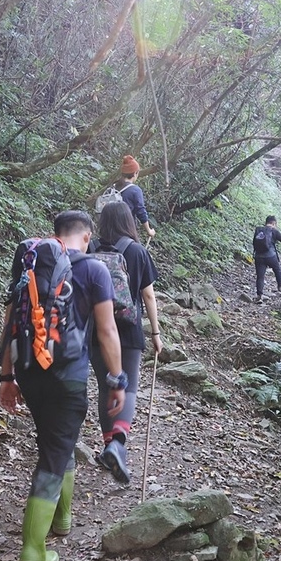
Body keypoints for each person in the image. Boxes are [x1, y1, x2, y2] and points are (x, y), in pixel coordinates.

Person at [0, 210, 128, 561]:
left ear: (57, 235)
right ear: (87, 237)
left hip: (28, 372)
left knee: (58, 442)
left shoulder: (32, 265)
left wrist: (6, 377)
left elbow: (10, 322)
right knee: (54, 454)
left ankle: (61, 519)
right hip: (68, 375)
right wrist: (117, 381)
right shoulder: (95, 269)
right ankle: (33, 552)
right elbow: (107, 332)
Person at [88, 201, 163, 484]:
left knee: (106, 385)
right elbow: (148, 296)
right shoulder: (136, 250)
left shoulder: (90, 248)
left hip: (95, 330)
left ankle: (109, 446)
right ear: (129, 222)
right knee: (127, 387)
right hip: (128, 331)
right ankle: (117, 443)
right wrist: (155, 333)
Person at [115, 155, 156, 241]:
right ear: (135, 173)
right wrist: (149, 231)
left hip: (110, 229)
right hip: (126, 231)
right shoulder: (135, 190)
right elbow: (140, 211)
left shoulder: (114, 187)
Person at [253, 215, 281, 304]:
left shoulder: (259, 230)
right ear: (274, 223)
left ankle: (259, 295)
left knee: (260, 276)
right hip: (270, 256)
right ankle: (280, 286)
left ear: (266, 222)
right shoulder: (274, 230)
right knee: (277, 269)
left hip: (258, 256)